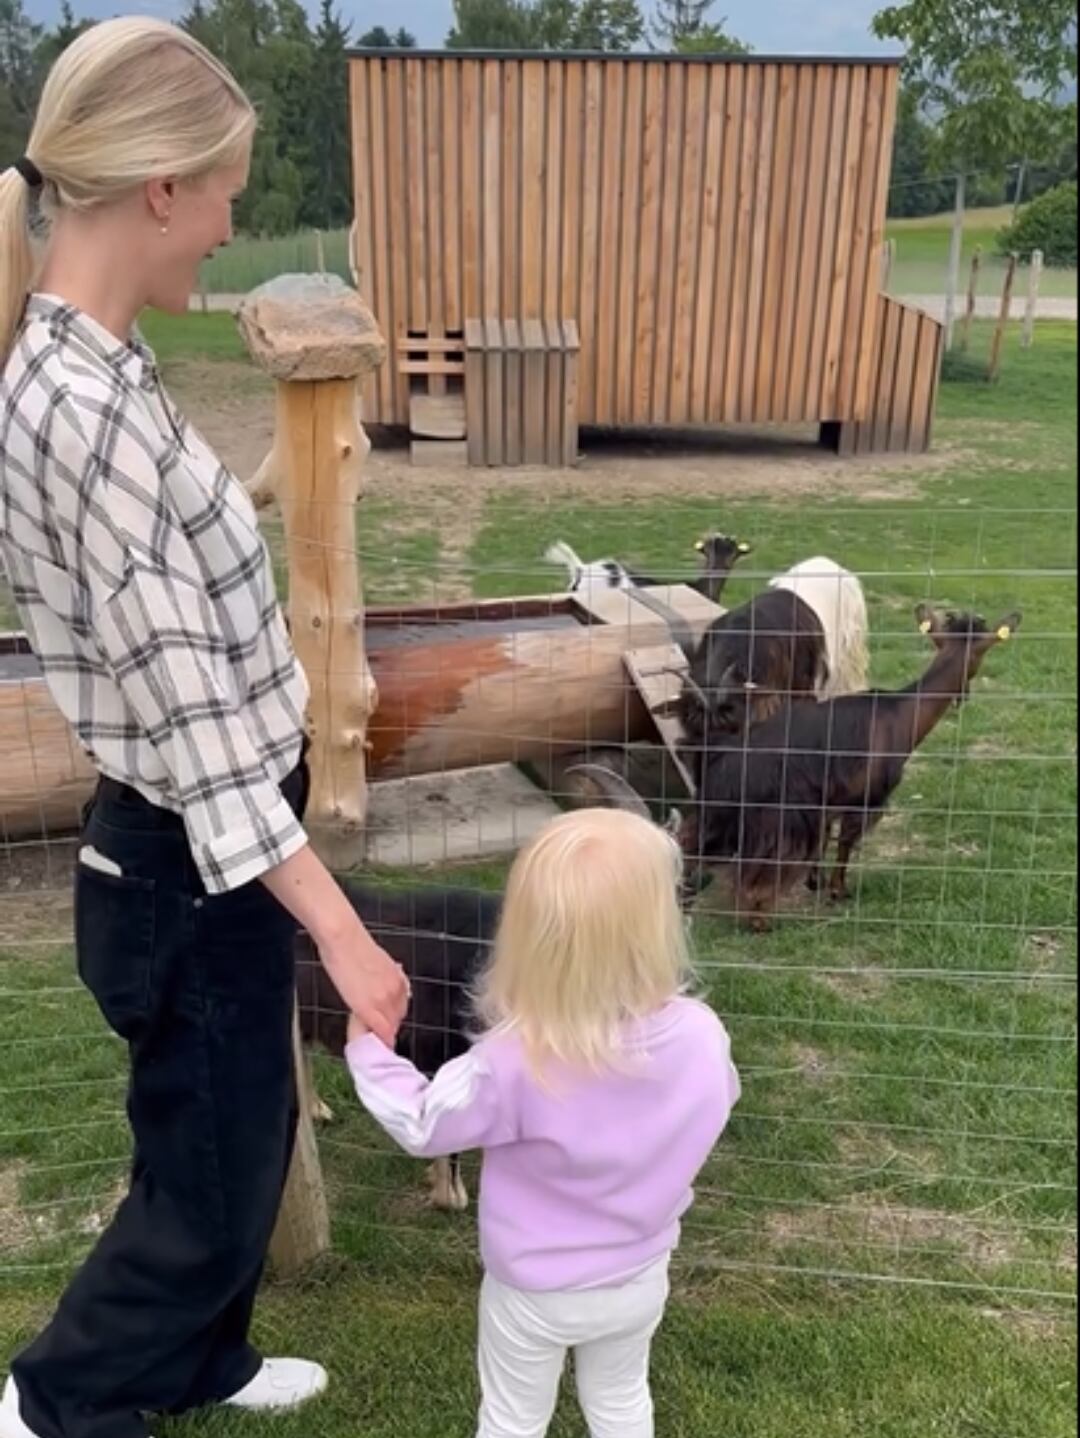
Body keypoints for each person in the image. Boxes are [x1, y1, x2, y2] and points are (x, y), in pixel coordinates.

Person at [0, 18, 410, 1438]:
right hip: (182, 858)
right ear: (160, 185)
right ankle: (52, 1403)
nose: (233, 222)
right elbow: (194, 724)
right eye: (227, 189)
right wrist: (345, 930)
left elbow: (175, 564)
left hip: (197, 859)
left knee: (223, 1142)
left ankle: (204, 1363)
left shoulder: (103, 370)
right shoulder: (74, 407)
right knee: (207, 1178)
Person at [346, 807, 741, 1438]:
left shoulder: (514, 1060)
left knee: (511, 1419)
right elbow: (720, 1100)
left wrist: (368, 1048)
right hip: (639, 1274)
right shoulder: (701, 1036)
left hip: (533, 1291)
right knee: (621, 1401)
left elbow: (422, 1122)